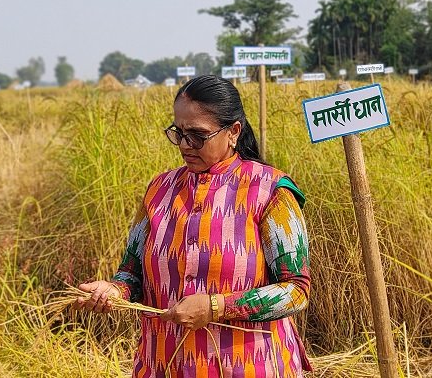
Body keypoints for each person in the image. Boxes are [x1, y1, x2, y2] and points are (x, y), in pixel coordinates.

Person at [78, 74, 312, 377]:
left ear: (233, 132)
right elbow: (131, 274)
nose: (186, 145)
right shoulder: (159, 190)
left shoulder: (270, 191)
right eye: (179, 132)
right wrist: (113, 290)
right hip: (163, 364)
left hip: (250, 366)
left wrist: (216, 307)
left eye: (198, 136)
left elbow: (296, 291)